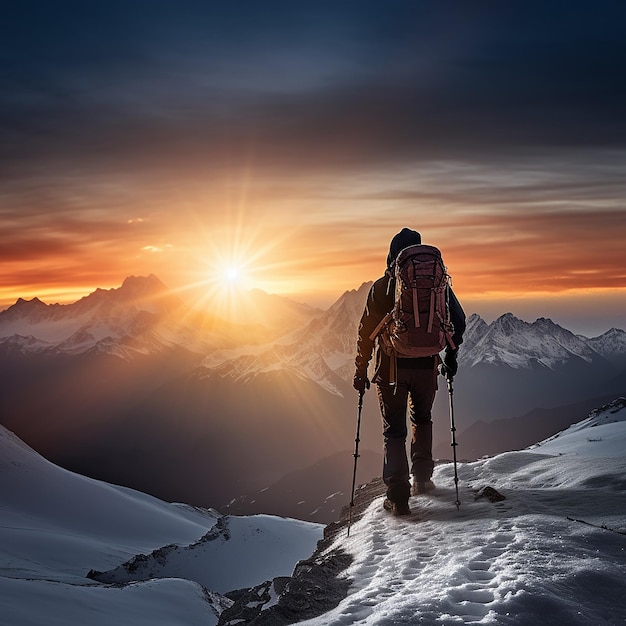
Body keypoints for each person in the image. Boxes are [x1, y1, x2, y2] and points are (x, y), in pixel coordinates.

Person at [353, 228, 465, 516]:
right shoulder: (437, 285)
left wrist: (360, 369)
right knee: (423, 419)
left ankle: (398, 497)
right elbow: (459, 321)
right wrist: (450, 358)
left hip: (391, 368)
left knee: (394, 431)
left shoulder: (382, 287)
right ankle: (424, 480)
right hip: (427, 366)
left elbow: (366, 332)